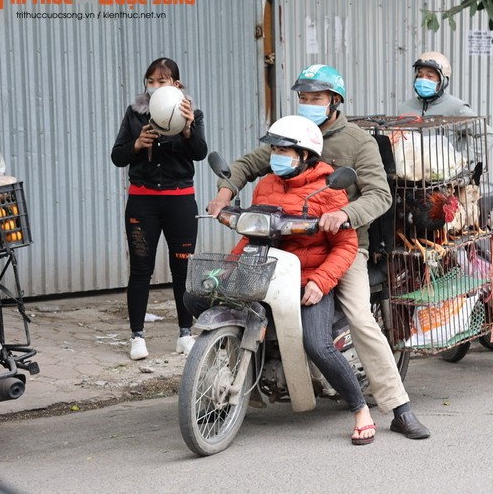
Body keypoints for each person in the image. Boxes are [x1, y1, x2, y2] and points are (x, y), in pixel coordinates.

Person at [207, 64, 431, 440]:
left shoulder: (357, 143)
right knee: (236, 293)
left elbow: (380, 194)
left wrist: (345, 213)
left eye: (317, 98)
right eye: (304, 97)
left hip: (341, 247)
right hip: (282, 240)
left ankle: (398, 407)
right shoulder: (291, 134)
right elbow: (249, 164)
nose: (308, 104)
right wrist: (224, 193)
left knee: (360, 316)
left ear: (335, 101)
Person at [188, 115, 376, 444]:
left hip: (307, 279)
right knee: (196, 296)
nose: (276, 155)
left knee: (317, 344)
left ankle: (360, 410)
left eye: (284, 150)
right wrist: (233, 268)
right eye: (274, 148)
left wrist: (321, 281)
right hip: (265, 272)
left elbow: (346, 245)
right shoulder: (267, 185)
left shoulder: (328, 189)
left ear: (305, 155)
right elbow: (253, 235)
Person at [111, 57, 208, 361]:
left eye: (162, 81)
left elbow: (200, 153)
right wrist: (137, 144)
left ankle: (185, 334)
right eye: (150, 81)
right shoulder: (135, 115)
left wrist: (189, 128)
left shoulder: (191, 114)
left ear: (176, 85)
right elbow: (118, 156)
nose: (155, 87)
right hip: (143, 200)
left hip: (180, 200)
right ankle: (137, 337)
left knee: (182, 270)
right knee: (141, 269)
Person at [398, 51, 493, 161]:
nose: (423, 80)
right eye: (420, 75)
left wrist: (461, 159)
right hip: (410, 174)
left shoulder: (457, 107)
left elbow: (488, 135)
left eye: (430, 76)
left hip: (446, 176)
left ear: (443, 80)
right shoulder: (405, 108)